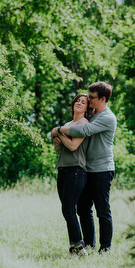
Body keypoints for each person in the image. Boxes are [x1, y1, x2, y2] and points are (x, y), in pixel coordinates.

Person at [52, 82, 117, 254]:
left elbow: (84, 130)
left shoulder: (107, 117)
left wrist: (58, 129)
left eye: (91, 97)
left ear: (102, 99)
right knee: (83, 209)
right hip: (86, 169)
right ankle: (88, 245)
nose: (88, 99)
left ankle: (105, 248)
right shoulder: (93, 114)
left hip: (102, 169)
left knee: (102, 211)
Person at [52, 93, 93, 256]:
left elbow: (72, 146)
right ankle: (73, 247)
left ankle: (80, 246)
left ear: (86, 108)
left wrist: (58, 132)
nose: (79, 103)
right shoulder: (68, 124)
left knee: (69, 209)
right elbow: (57, 148)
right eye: (78, 100)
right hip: (62, 169)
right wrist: (56, 139)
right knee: (66, 210)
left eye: (83, 102)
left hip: (76, 171)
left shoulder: (83, 123)